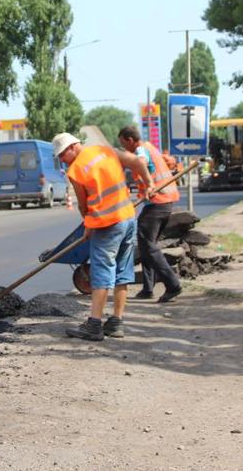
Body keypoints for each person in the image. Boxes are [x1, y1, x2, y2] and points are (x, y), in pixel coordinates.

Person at [53, 132, 137, 341]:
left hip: (107, 224)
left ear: (72, 147)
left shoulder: (76, 169)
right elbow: (133, 163)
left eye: (62, 155)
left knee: (101, 271)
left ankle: (94, 325)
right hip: (128, 217)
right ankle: (117, 322)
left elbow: (83, 204)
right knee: (122, 269)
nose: (62, 160)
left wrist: (88, 225)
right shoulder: (104, 150)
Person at [118, 126, 183, 303]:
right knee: (148, 244)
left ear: (130, 140)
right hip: (164, 202)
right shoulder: (150, 146)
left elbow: (140, 162)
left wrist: (126, 163)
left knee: (148, 245)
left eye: (123, 144)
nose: (124, 148)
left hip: (157, 201)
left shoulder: (140, 150)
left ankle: (172, 285)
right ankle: (148, 288)